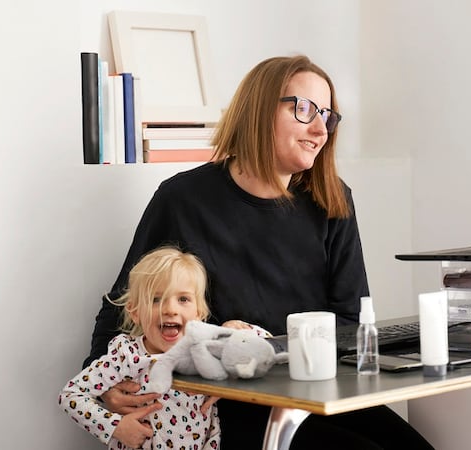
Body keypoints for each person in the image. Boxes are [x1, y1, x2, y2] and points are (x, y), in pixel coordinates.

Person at [85, 55, 434, 449]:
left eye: (328, 116)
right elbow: (121, 304)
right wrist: (104, 384)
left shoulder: (333, 200)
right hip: (218, 405)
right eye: (304, 109)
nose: (320, 129)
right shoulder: (183, 199)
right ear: (259, 110)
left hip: (312, 388)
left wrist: (275, 353)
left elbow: (349, 322)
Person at [61, 247, 222, 449]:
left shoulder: (205, 350)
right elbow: (71, 395)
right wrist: (116, 427)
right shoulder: (127, 355)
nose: (171, 309)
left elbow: (264, 347)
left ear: (199, 312)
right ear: (135, 312)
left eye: (183, 299)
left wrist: (239, 328)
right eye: (156, 299)